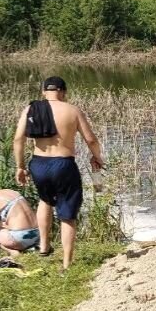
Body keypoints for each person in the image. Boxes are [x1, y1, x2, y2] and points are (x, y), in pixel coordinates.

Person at [14, 76, 104, 269]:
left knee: (45, 200)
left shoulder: (31, 109)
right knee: (68, 213)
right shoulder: (72, 110)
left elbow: (18, 140)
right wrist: (97, 157)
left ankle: (44, 247)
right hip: (63, 164)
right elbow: (91, 139)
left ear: (43, 92)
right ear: (63, 92)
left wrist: (20, 166)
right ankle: (66, 264)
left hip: (38, 164)